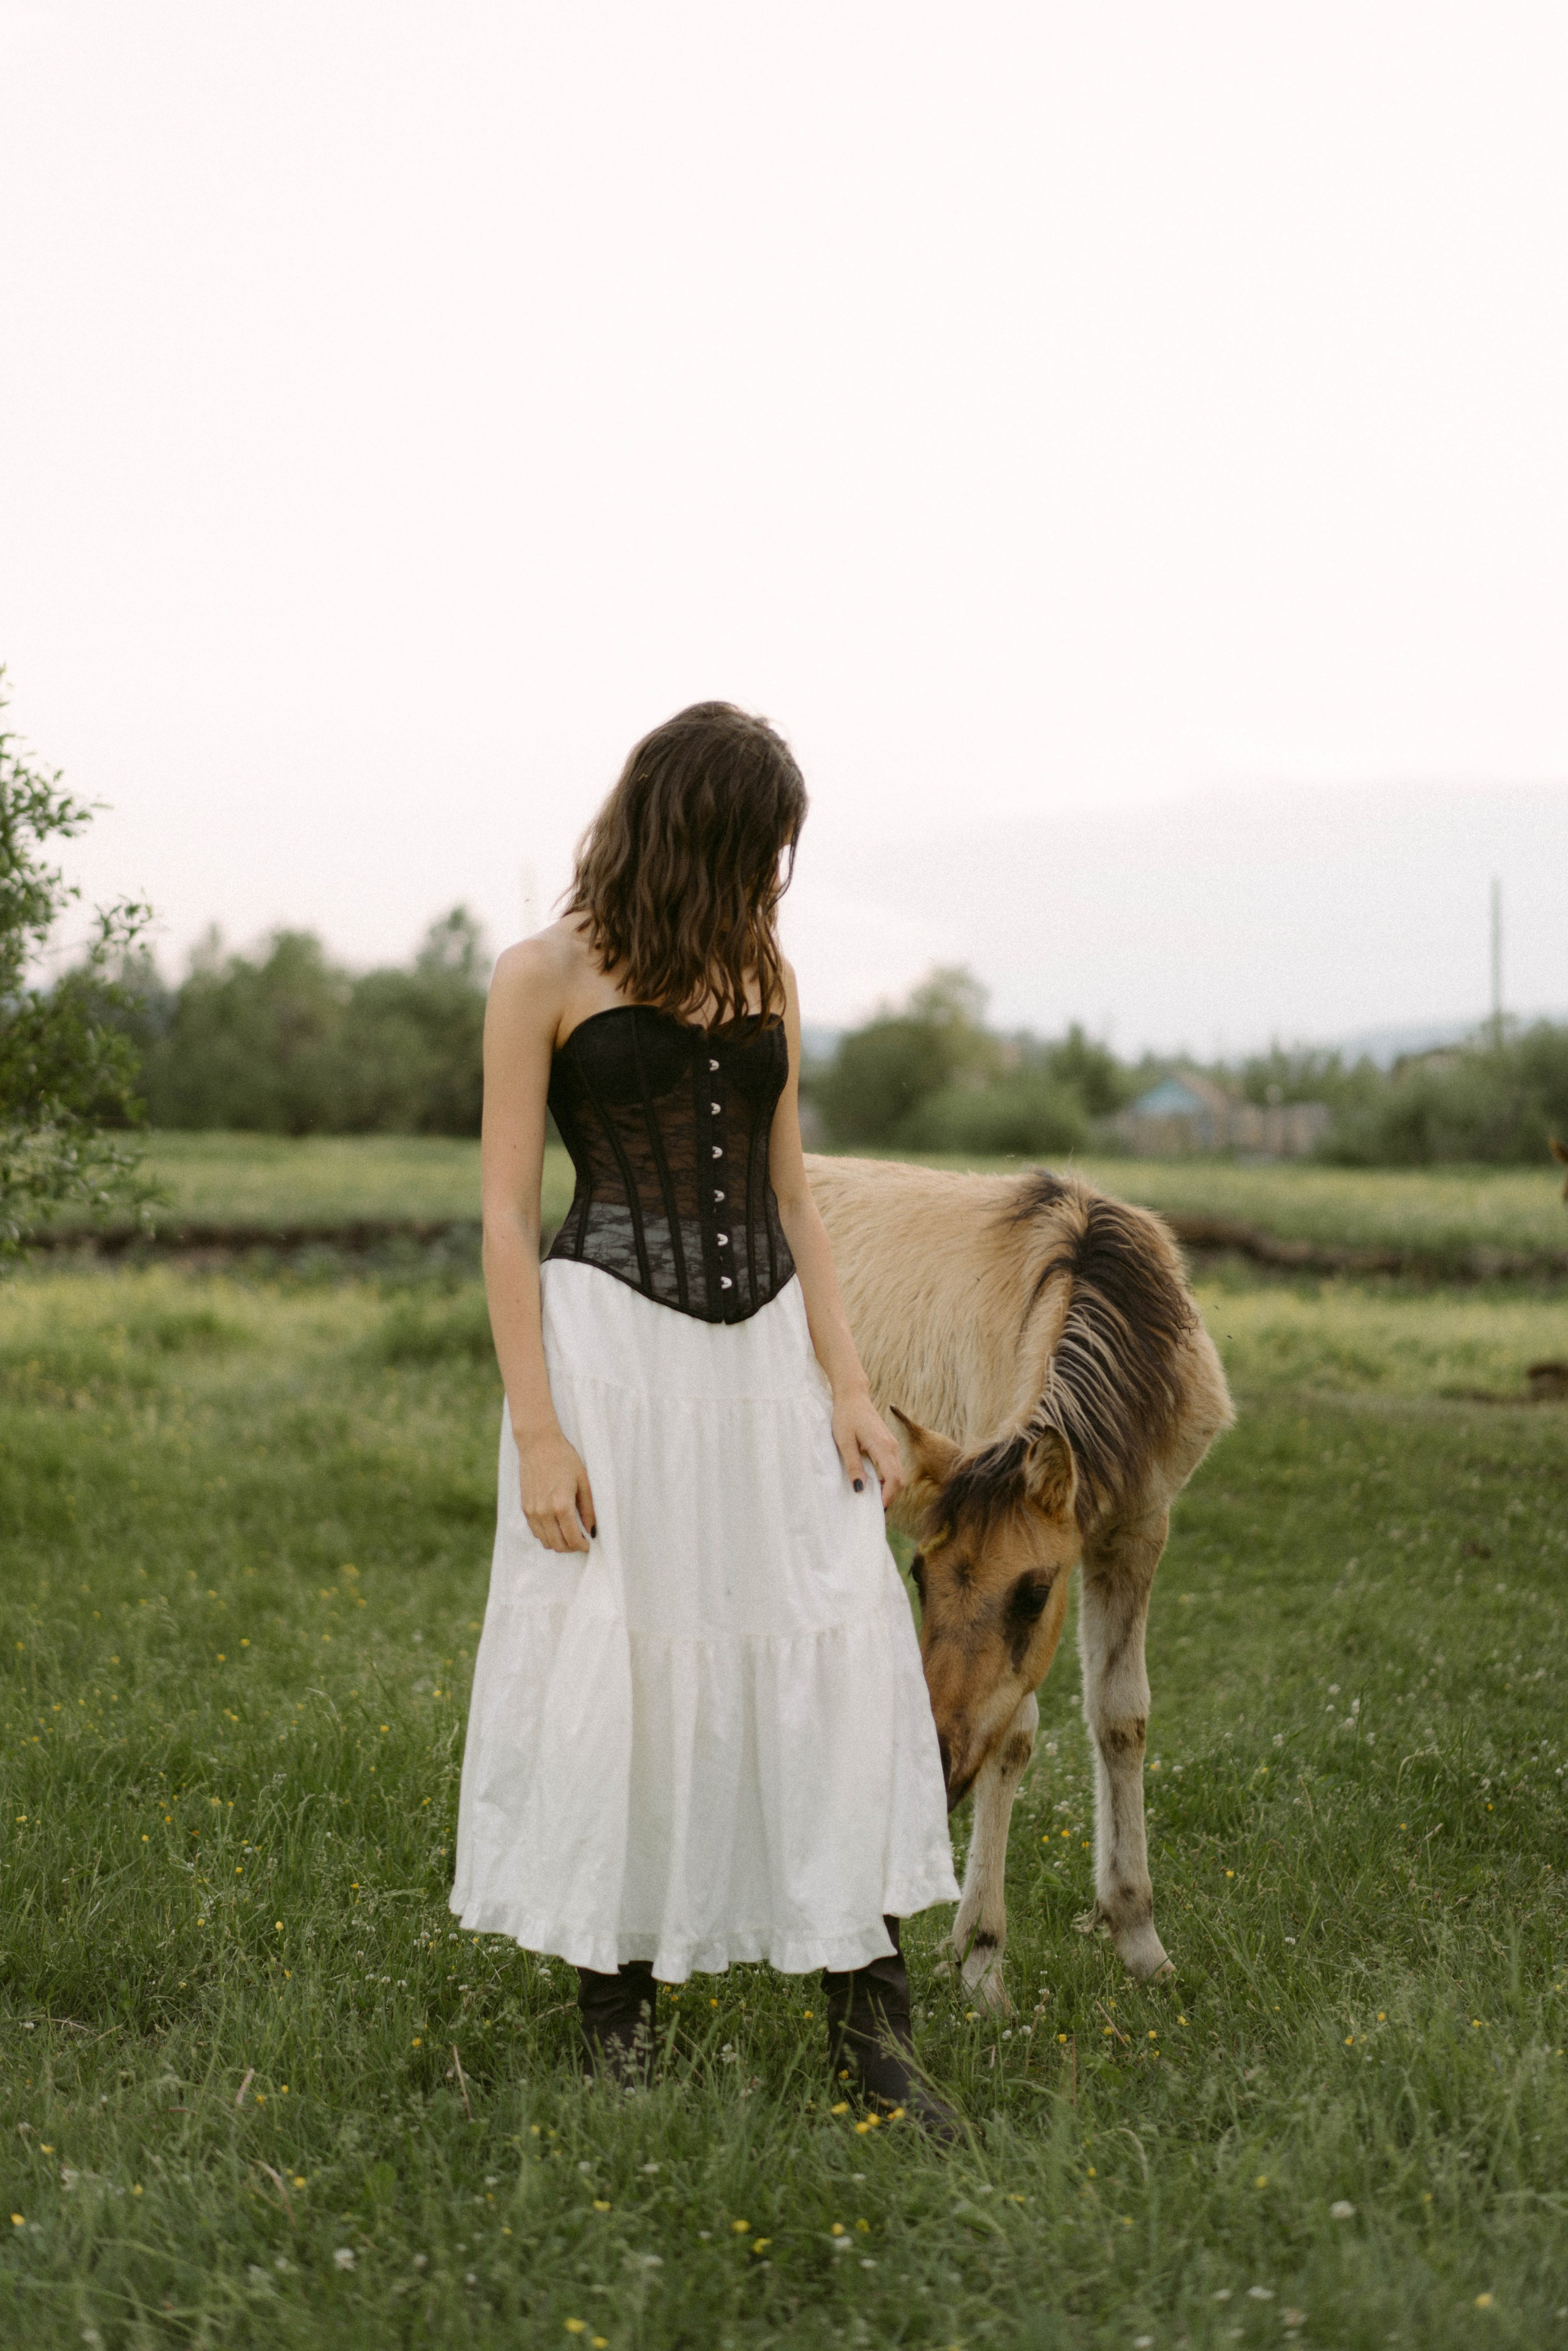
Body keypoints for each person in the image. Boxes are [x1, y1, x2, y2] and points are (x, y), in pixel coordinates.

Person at [450, 701, 960, 2132]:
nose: (773, 878)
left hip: (762, 1369)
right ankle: (618, 2013)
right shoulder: (538, 972)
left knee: (832, 1643)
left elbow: (794, 1192)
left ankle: (870, 2032)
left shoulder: (762, 970)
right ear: (691, 830)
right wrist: (538, 1430)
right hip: (608, 1356)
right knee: (630, 1662)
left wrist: (851, 1388)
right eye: (756, 847)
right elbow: (502, 1215)